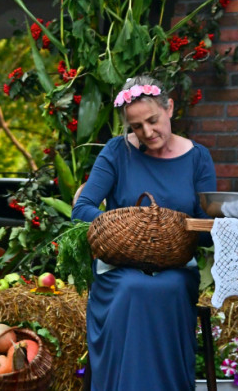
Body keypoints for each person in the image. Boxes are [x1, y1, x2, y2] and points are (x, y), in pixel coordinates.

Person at [72, 76, 217, 390]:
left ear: (170, 108)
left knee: (170, 288)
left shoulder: (198, 158)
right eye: (137, 127)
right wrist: (125, 226)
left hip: (176, 270)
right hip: (119, 269)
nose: (148, 133)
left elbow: (206, 232)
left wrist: (192, 227)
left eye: (153, 121)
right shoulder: (116, 152)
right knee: (132, 289)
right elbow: (82, 209)